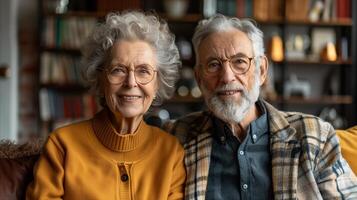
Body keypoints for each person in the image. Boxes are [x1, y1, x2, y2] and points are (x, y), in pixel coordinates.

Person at [165, 14, 357, 199]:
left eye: (239, 62)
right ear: (199, 78)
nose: (226, 77)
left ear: (262, 70)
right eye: (213, 65)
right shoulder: (176, 137)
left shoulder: (316, 136)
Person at [26, 11, 186, 199]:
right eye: (118, 70)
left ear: (158, 82)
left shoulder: (171, 152)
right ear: (100, 78)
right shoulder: (62, 146)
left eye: (143, 71)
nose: (131, 82)